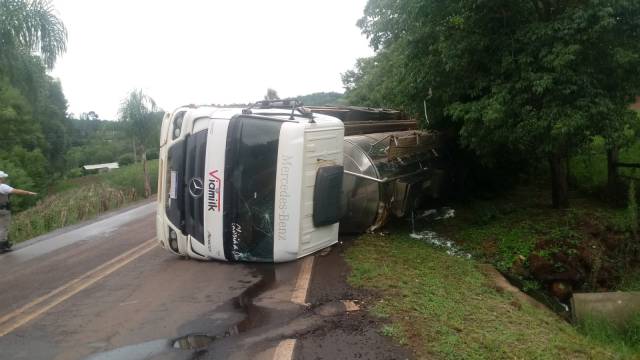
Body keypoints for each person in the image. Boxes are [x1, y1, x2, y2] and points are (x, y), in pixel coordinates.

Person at [0, 171, 37, 253]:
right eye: (3, 177)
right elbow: (15, 191)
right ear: (0, 178)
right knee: (4, 227)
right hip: (3, 210)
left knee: (2, 227)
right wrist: (28, 193)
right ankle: (2, 246)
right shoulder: (2, 186)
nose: (4, 179)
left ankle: (5, 243)